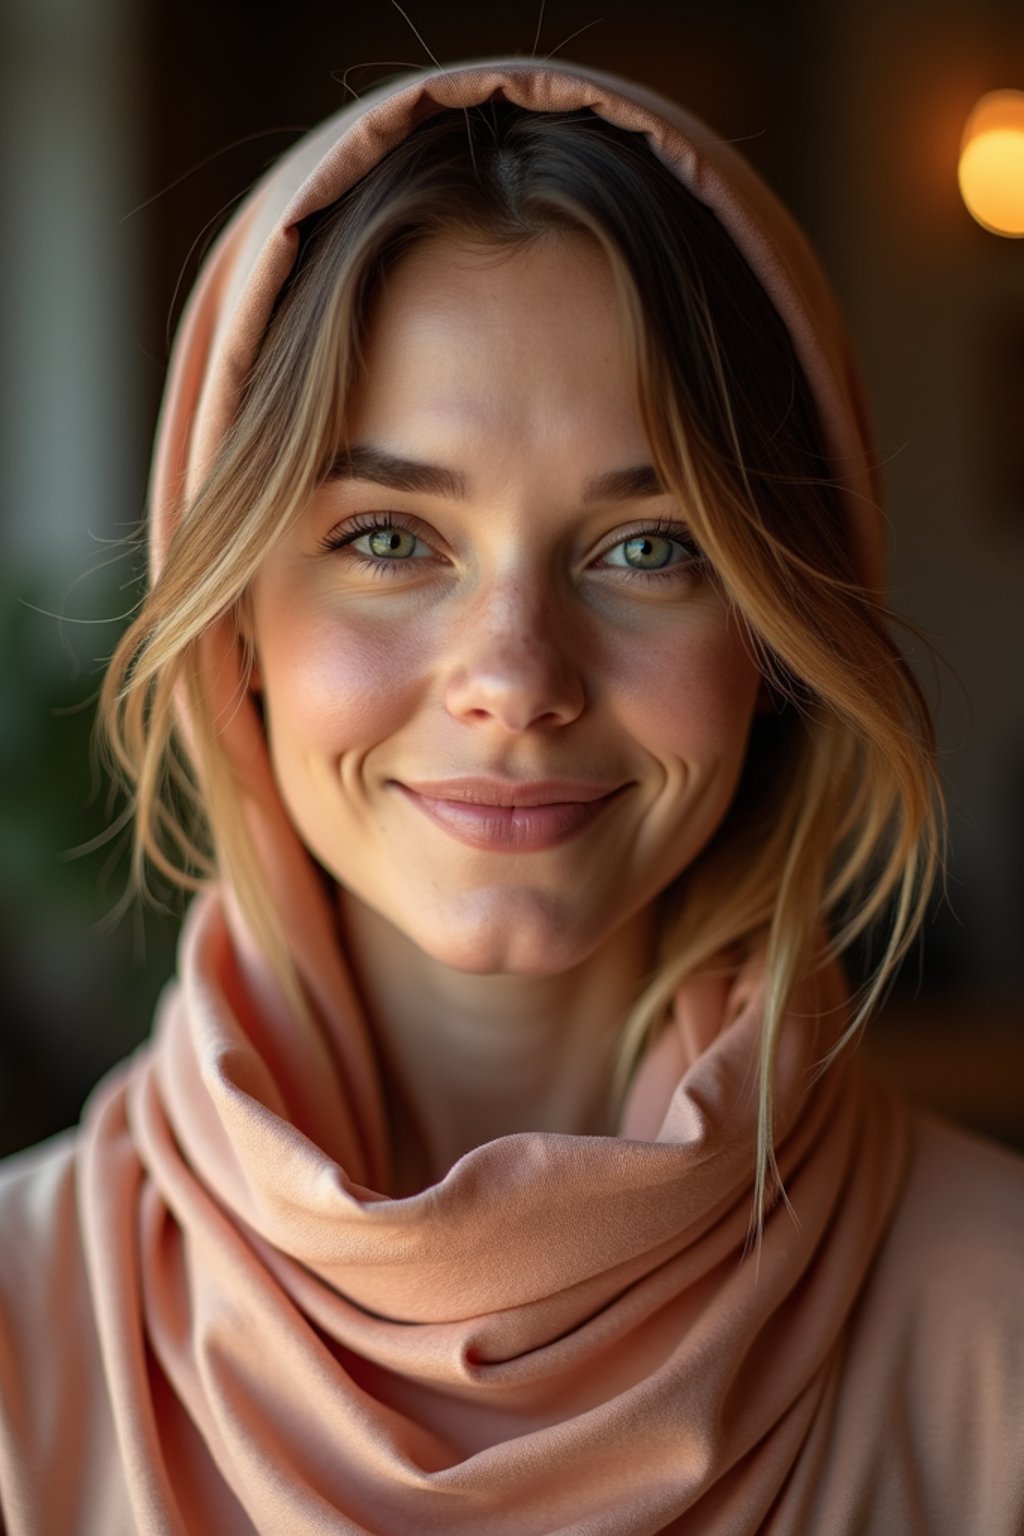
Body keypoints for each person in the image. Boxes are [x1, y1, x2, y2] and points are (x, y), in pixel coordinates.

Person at [0, 55, 1021, 1536]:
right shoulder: (22, 1332)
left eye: (649, 546)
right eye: (391, 537)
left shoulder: (995, 1330)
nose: (517, 677)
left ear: (782, 640)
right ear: (233, 625)